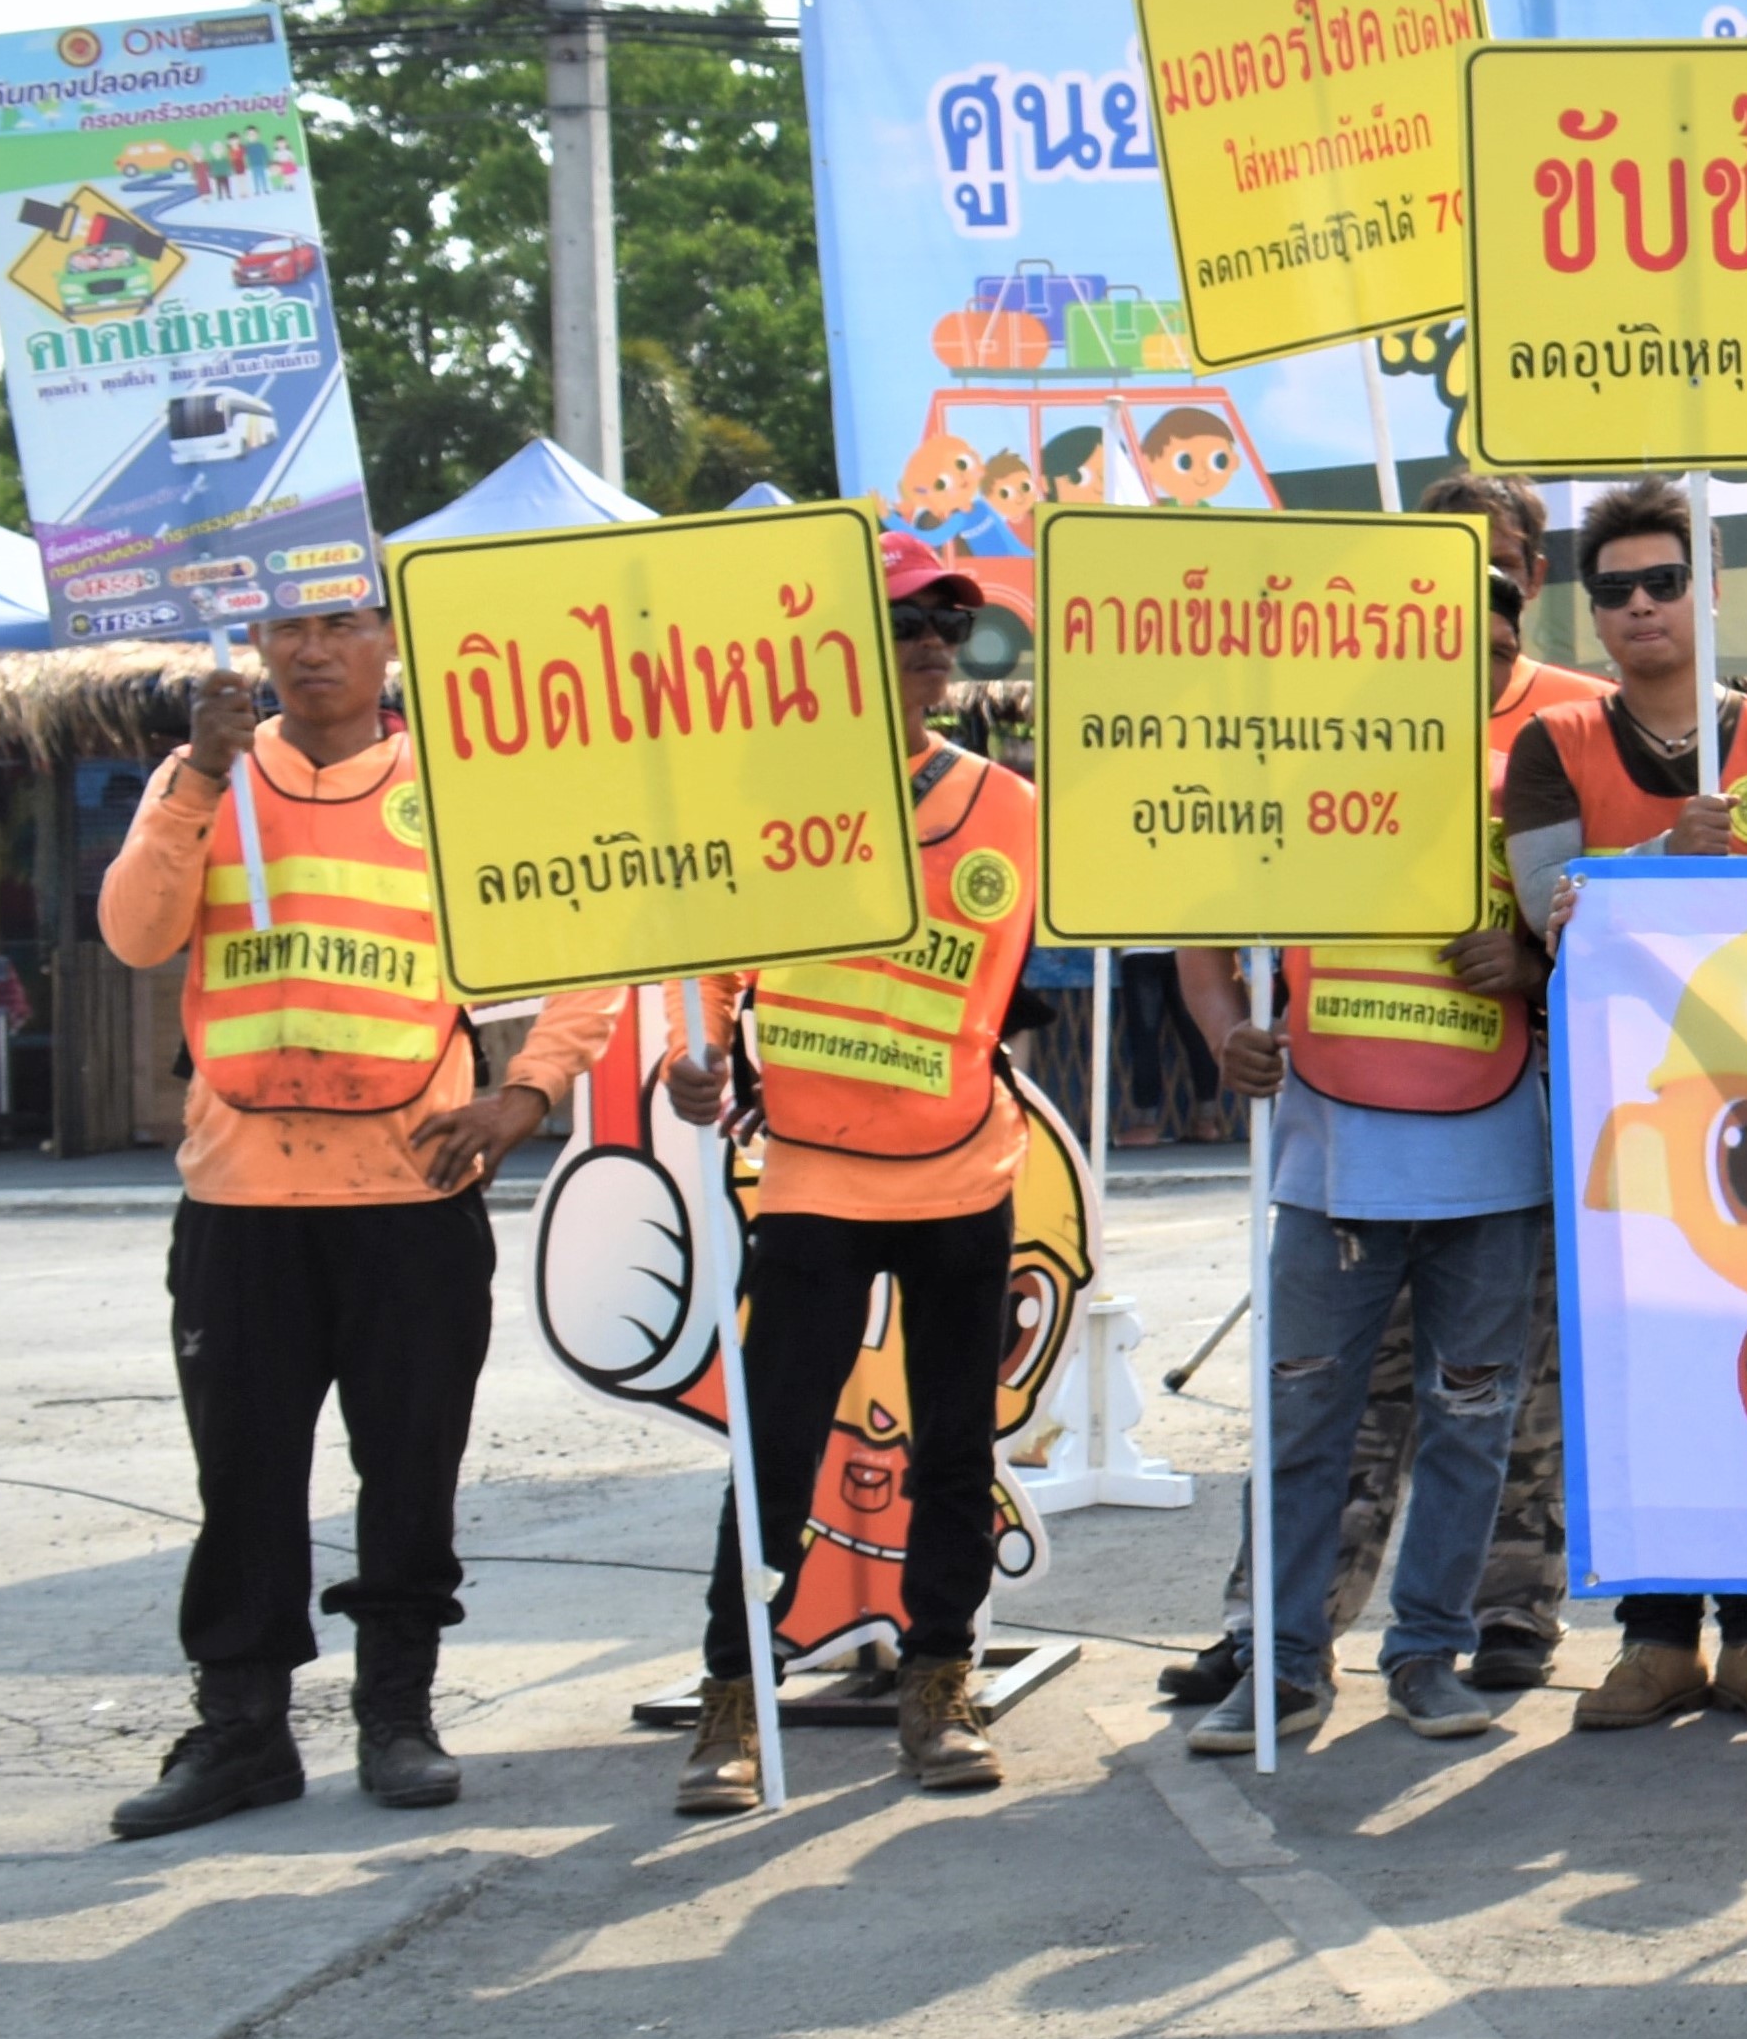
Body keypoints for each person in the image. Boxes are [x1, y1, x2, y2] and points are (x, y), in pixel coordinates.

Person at [97, 607, 624, 1838]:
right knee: (243, 1477)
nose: (313, 649)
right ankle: (242, 1727)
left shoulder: (461, 789)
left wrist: (529, 1090)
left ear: (389, 639)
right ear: (258, 639)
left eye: (341, 623)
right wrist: (199, 776)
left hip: (410, 1196)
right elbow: (134, 933)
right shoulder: (202, 776)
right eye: (291, 625)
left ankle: (397, 1712)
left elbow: (588, 940)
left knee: (410, 1470)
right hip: (241, 1199)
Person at [1154, 477, 1602, 1711]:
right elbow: (1204, 922)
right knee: (1317, 1414)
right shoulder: (1301, 744)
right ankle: (1280, 1645)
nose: (1464, 619)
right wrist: (1233, 1033)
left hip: (1504, 1137)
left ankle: (1469, 1629)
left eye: (1492, 582)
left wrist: (1534, 964)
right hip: (1335, 1150)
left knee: (1496, 1410)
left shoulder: (1562, 738)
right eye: (1435, 577)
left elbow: (1604, 931)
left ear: (1530, 587)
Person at [669, 534, 1048, 1814]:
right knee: (775, 1449)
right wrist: (695, 1055)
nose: (934, 643)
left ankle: (941, 1680)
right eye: (904, 623)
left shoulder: (1009, 808)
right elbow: (712, 965)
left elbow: (1012, 980)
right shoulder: (764, 797)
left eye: (951, 623)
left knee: (956, 1446)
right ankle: (733, 1694)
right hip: (815, 1181)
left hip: (963, 1174)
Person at [1506, 478, 1747, 1732]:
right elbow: (1545, 908)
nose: (1641, 606)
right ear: (1592, 612)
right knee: (1636, 1360)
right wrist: (1666, 860)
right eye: (1615, 591)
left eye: (1664, 581)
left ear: (1707, 591)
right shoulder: (1555, 744)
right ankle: (1653, 1639)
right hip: (1618, 1105)